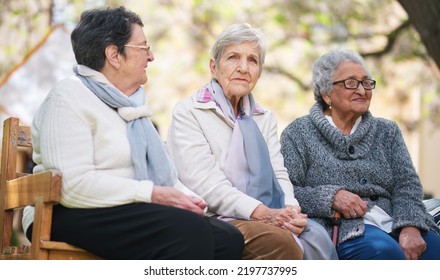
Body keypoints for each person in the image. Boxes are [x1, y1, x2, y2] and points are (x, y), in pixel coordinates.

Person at [21, 6, 244, 260]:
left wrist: (191, 199)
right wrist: (152, 194)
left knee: (228, 238)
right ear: (114, 55)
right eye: (143, 48)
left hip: (128, 208)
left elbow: (166, 176)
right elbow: (73, 186)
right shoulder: (68, 97)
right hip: (67, 211)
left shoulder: (131, 107)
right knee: (188, 231)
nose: (151, 57)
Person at [166, 23, 337, 260]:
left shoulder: (263, 116)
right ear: (214, 67)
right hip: (212, 217)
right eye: (233, 57)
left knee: (318, 237)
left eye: (252, 60)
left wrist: (289, 210)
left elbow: (279, 173)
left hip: (268, 211)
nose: (243, 68)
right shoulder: (190, 112)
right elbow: (207, 186)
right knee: (281, 243)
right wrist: (263, 214)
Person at [280, 48, 440, 260]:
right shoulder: (298, 133)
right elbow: (287, 192)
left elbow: (407, 184)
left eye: (366, 83)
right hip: (344, 229)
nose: (362, 90)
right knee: (384, 253)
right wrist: (331, 197)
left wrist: (410, 226)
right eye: (351, 83)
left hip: (395, 220)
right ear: (326, 93)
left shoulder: (387, 131)